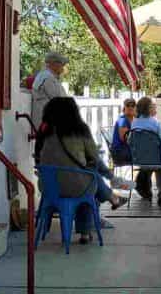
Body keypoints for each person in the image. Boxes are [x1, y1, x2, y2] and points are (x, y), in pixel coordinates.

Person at [37, 97, 129, 244]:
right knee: (90, 180)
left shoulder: (44, 130)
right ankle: (86, 232)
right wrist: (110, 175)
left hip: (48, 187)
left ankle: (112, 197)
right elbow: (95, 157)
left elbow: (38, 156)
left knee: (87, 177)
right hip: (76, 187)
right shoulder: (80, 130)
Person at [111, 98, 153, 198]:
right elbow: (125, 139)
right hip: (121, 153)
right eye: (128, 105)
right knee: (150, 159)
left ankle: (142, 185)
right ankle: (142, 186)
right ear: (124, 108)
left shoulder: (134, 120)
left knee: (152, 158)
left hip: (128, 150)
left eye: (133, 105)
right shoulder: (122, 120)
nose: (130, 107)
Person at [31, 51, 68, 131]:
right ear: (53, 64)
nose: (63, 67)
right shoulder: (48, 78)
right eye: (62, 63)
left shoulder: (44, 76)